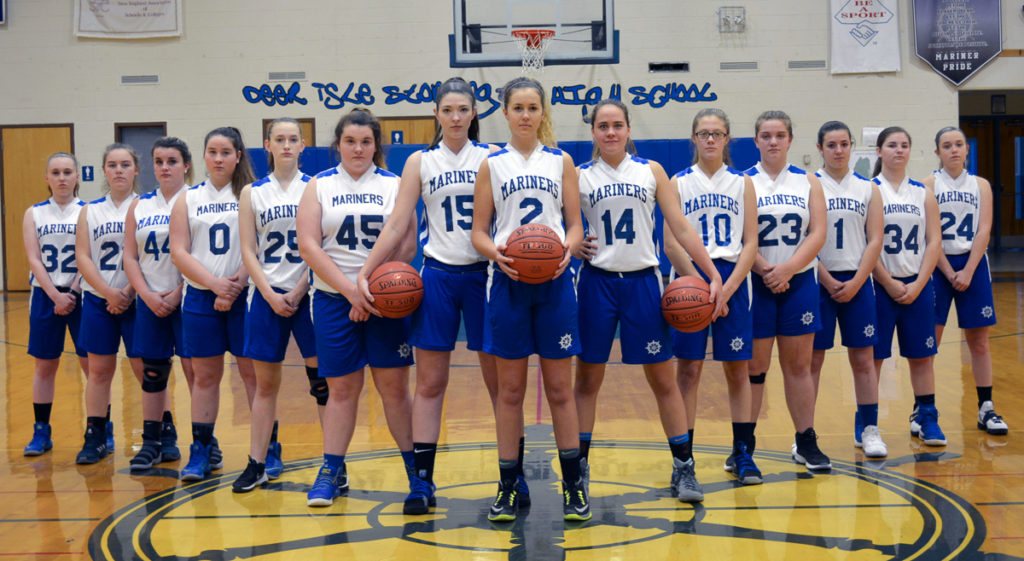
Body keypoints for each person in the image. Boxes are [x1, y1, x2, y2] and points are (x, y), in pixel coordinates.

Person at [356, 78, 508, 514]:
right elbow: (398, 223)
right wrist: (367, 272)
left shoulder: (493, 158)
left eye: (463, 109)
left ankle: (509, 476)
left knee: (500, 385)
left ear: (475, 113)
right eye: (448, 110)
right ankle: (421, 482)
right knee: (430, 383)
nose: (456, 117)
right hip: (438, 275)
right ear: (437, 115)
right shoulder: (421, 161)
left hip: (486, 275)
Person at [573, 99, 724, 503]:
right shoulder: (578, 176)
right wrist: (572, 246)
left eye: (617, 125)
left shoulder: (651, 171)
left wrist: (710, 274)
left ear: (628, 129)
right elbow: (562, 226)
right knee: (587, 381)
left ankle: (683, 467)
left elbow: (682, 228)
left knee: (662, 379)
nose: (610, 132)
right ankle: (579, 470)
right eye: (602, 126)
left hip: (643, 282)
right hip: (596, 283)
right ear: (593, 132)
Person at [470, 77, 587, 523]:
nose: (525, 114)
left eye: (532, 107)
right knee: (510, 392)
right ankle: (507, 485)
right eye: (517, 107)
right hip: (507, 283)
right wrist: (495, 253)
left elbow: (574, 224)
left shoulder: (561, 161)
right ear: (504, 112)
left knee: (560, 390)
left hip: (555, 283)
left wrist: (567, 250)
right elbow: (479, 231)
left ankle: (574, 486)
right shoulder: (492, 163)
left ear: (543, 113)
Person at [297, 108, 417, 507]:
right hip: (334, 300)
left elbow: (407, 244)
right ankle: (330, 472)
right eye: (350, 141)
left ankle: (416, 475)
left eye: (366, 142)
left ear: (376, 145)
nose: (358, 148)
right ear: (338, 144)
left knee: (394, 390)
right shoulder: (318, 185)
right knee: (341, 390)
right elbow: (309, 245)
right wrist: (352, 292)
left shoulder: (394, 184)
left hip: (386, 301)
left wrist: (372, 291)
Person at [666, 108, 762, 485]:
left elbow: (751, 241)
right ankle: (684, 461)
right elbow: (671, 243)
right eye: (703, 133)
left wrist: (728, 286)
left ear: (727, 140)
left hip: (733, 278)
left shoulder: (742, 183)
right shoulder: (677, 182)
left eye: (717, 133)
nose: (710, 139)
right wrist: (705, 286)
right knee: (688, 371)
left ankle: (742, 453)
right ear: (693, 138)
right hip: (690, 281)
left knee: (737, 369)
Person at [233, 118, 321, 493]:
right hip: (266, 297)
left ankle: (335, 463)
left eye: (293, 139)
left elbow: (321, 247)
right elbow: (248, 250)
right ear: (267, 145)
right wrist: (269, 292)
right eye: (279, 139)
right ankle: (258, 462)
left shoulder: (316, 188)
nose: (286, 145)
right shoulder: (252, 193)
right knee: (264, 386)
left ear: (303, 146)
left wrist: (300, 289)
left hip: (311, 295)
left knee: (323, 385)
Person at [169, 126, 258, 480]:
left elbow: (258, 246)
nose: (218, 158)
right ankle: (202, 450)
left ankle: (267, 449)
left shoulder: (251, 195)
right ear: (203, 157)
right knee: (205, 377)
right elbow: (178, 251)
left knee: (254, 376)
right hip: (201, 298)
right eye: (212, 152)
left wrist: (236, 282)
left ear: (238, 155)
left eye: (225, 152)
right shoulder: (186, 199)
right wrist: (215, 285)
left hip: (245, 295)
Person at [745, 111, 830, 471]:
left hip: (799, 283)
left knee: (798, 367)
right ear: (756, 141)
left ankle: (806, 441)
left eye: (780, 135)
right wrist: (766, 269)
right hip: (755, 282)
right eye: (766, 135)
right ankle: (743, 444)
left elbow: (818, 233)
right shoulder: (743, 181)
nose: (773, 141)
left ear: (791, 140)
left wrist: (788, 269)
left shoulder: (808, 181)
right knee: (754, 368)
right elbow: (740, 237)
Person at [809, 121, 885, 457]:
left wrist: (857, 281)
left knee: (864, 360)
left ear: (852, 146)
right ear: (820, 149)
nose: (838, 150)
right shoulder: (811, 186)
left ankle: (869, 429)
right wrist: (826, 278)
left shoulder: (868, 188)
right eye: (831, 145)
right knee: (812, 362)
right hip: (817, 282)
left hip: (858, 282)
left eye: (843, 144)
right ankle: (805, 433)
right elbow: (805, 238)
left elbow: (876, 239)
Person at [925, 127, 1006, 436]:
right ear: (938, 152)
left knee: (980, 342)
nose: (954, 150)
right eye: (947, 145)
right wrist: (947, 270)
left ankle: (986, 408)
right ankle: (924, 409)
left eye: (959, 144)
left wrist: (969, 270)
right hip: (938, 266)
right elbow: (930, 235)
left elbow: (984, 230)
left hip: (973, 265)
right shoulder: (928, 185)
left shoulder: (980, 185)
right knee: (929, 343)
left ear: (967, 149)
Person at [870, 126, 946, 445]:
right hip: (878, 286)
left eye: (904, 145)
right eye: (892, 145)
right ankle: (867, 422)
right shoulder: (869, 190)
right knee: (872, 358)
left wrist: (919, 282)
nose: (899, 150)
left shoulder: (922, 193)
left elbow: (934, 240)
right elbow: (866, 244)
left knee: (922, 356)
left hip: (917, 286)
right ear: (879, 151)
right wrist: (887, 282)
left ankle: (927, 419)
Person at [123, 137, 195, 470]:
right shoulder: (139, 206)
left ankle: (204, 444)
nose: (164, 167)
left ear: (186, 165)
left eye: (172, 161)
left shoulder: (196, 201)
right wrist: (146, 294)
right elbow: (130, 256)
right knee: (152, 374)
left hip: (190, 298)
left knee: (197, 374)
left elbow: (204, 253)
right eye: (159, 161)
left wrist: (180, 288)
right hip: (150, 300)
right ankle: (152, 442)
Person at [74, 143, 145, 464]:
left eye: (125, 164)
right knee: (99, 371)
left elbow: (148, 257)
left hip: (138, 299)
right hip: (98, 300)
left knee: (148, 369)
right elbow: (82, 257)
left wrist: (128, 291)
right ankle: (96, 434)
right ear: (104, 171)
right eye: (113, 165)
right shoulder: (89, 210)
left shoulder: (146, 207)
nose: (119, 170)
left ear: (136, 170)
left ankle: (161, 432)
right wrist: (108, 291)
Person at [22, 152, 89, 456]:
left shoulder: (88, 211)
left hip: (82, 295)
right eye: (56, 172)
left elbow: (89, 257)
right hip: (45, 295)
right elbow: (34, 258)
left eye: (67, 172)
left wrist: (72, 293)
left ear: (77, 176)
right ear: (47, 178)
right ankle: (41, 431)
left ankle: (100, 428)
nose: (62, 177)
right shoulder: (33, 213)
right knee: (44, 365)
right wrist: (54, 295)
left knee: (94, 367)